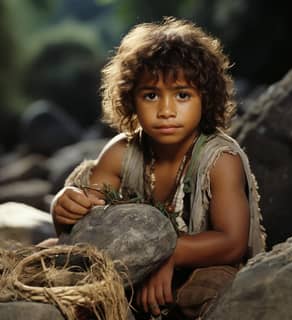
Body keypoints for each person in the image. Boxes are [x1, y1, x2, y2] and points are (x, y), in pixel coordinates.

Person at [51, 17, 265, 319]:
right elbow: (87, 231)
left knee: (213, 292)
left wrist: (164, 255)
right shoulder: (120, 153)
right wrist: (65, 207)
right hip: (132, 267)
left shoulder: (220, 160)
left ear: (206, 98)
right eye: (151, 95)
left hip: (205, 262)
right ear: (131, 100)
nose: (166, 111)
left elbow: (232, 242)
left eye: (182, 95)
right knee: (68, 280)